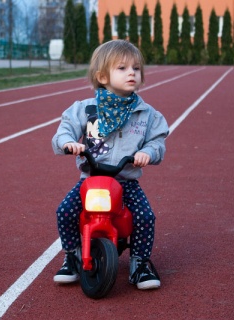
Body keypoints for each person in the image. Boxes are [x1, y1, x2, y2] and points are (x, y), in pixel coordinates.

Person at [51, 40, 168, 290]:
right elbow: (63, 132)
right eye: (122, 68)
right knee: (65, 211)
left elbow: (158, 140)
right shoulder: (84, 109)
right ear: (103, 76)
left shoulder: (146, 113)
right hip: (90, 181)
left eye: (136, 69)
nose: (131, 73)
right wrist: (69, 143)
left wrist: (148, 152)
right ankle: (71, 256)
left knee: (145, 217)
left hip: (125, 182)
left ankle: (140, 263)